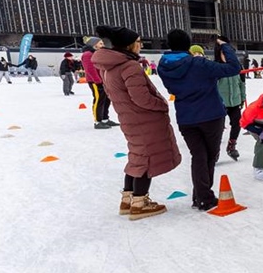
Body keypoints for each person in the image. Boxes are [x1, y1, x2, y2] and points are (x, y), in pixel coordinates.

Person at [92, 25, 181, 220]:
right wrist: (161, 105)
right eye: (138, 42)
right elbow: (140, 97)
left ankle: (127, 199)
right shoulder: (129, 66)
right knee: (146, 160)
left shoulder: (109, 67)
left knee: (137, 156)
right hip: (144, 120)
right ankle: (140, 202)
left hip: (129, 119)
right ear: (129, 45)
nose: (140, 45)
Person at [158, 29, 241, 211]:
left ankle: (201, 196)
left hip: (186, 118)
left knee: (199, 156)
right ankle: (204, 198)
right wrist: (225, 46)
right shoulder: (198, 63)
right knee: (208, 157)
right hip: (210, 114)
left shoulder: (163, 66)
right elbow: (234, 68)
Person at [215, 36, 246, 161]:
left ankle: (231, 146)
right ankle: (215, 151)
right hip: (220, 103)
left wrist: (242, 98)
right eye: (224, 54)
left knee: (237, 123)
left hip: (235, 101)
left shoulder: (236, 67)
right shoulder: (216, 67)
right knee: (218, 128)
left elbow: (241, 84)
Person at [82, 36, 117, 129]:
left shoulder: (98, 54)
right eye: (101, 43)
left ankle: (105, 118)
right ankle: (97, 121)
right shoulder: (87, 54)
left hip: (103, 81)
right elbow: (90, 69)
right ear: (94, 44)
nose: (103, 45)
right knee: (99, 100)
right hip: (95, 82)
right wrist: (98, 81)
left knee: (106, 100)